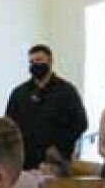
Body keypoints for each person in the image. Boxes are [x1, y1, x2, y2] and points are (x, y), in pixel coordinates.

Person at [5, 44, 88, 173]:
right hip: (25, 160)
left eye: (39, 60)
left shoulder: (66, 91)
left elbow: (81, 123)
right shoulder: (19, 93)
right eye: (31, 62)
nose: (35, 64)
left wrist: (59, 147)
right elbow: (9, 124)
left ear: (50, 61)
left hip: (55, 159)